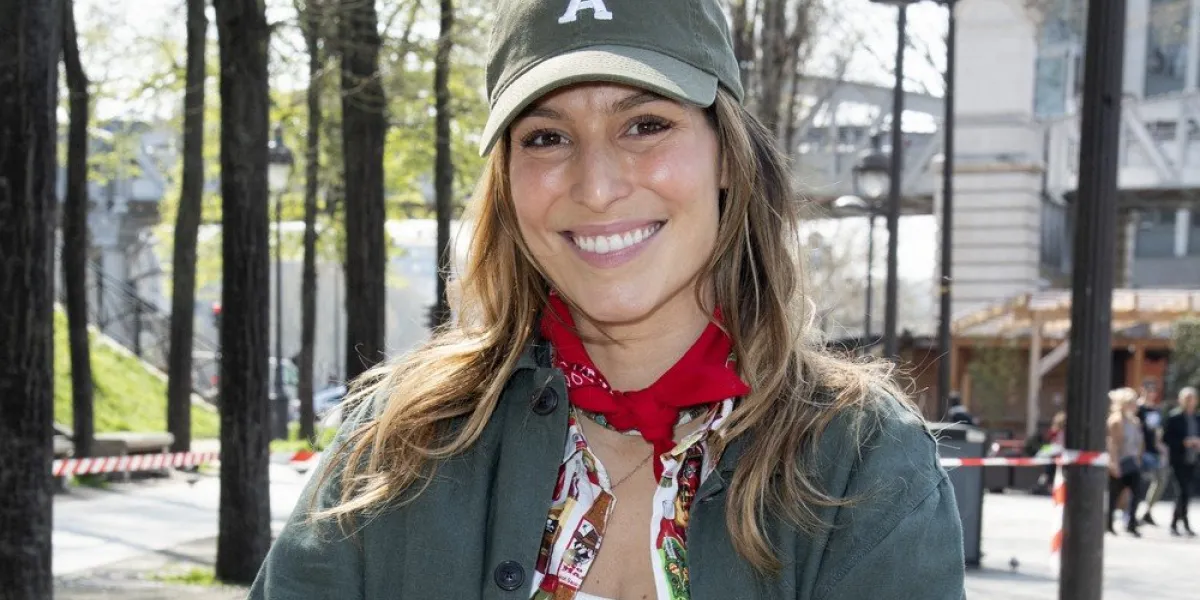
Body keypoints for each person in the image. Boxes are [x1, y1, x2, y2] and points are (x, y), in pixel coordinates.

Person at [247, 1, 965, 598]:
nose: (595, 187)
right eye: (547, 136)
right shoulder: (398, 443)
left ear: (727, 154)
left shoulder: (862, 463)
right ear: (507, 183)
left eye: (645, 124)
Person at [1107, 387, 1145, 537]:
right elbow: (1113, 443)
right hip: (1120, 461)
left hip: (1132, 460)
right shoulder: (1116, 421)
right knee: (1114, 494)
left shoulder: (1135, 421)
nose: (1133, 405)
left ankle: (1131, 523)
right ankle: (1108, 523)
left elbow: (1140, 443)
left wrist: (1139, 458)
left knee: (1137, 492)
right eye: (1130, 402)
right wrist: (1113, 463)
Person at [1163, 387, 1200, 537]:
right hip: (1178, 459)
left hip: (1193, 458)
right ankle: (1177, 522)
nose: (1190, 402)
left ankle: (1181, 522)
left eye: (1192, 399)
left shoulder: (1197, 418)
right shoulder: (1174, 417)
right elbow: (1166, 438)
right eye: (1187, 399)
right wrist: (1183, 442)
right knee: (1182, 491)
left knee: (1187, 493)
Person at [1136, 383, 1169, 526]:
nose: (1151, 394)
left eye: (1153, 391)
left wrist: (1161, 446)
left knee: (1161, 480)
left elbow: (1157, 432)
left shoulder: (1156, 410)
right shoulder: (1138, 408)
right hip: (1141, 451)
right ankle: (1130, 514)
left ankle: (1147, 511)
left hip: (1154, 451)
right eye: (1149, 390)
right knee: (1138, 483)